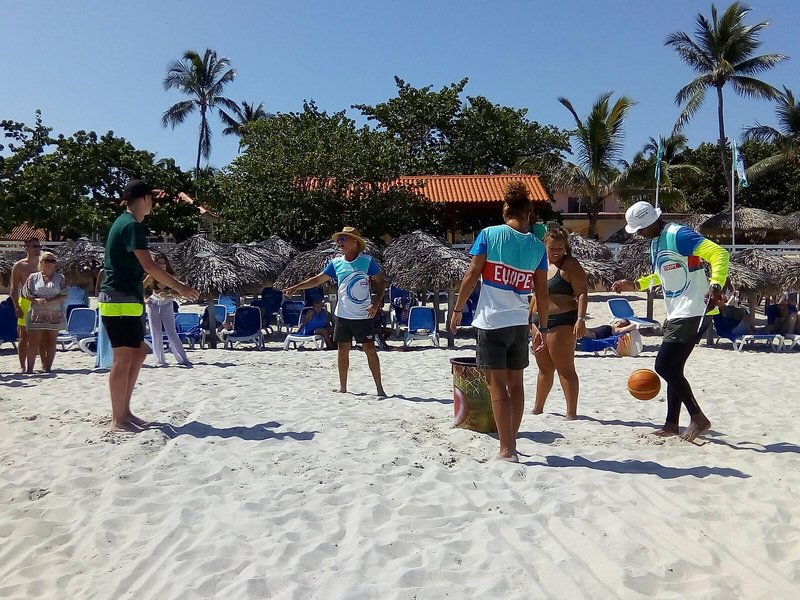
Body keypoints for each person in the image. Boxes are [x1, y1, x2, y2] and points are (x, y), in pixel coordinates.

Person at [612, 201, 729, 442]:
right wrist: (636, 284)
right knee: (674, 369)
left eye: (640, 229)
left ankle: (698, 417)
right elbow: (663, 275)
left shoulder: (679, 235)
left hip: (694, 310)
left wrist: (716, 285)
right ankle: (671, 424)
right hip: (677, 312)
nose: (639, 234)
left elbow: (719, 254)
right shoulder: (656, 243)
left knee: (664, 366)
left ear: (652, 222)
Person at [450, 181, 550, 462]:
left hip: (492, 321)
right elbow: (542, 293)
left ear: (506, 211)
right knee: (516, 385)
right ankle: (511, 441)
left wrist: (457, 310)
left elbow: (472, 275)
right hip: (519, 323)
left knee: (497, 387)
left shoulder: (489, 234)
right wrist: (542, 327)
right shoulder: (537, 247)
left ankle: (507, 450)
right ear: (528, 214)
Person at [99, 180, 199, 430]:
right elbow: (149, 266)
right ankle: (118, 418)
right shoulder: (131, 224)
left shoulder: (127, 223)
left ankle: (125, 412)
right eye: (151, 198)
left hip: (127, 300)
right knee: (123, 359)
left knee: (139, 353)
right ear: (144, 199)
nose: (152, 203)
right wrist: (180, 287)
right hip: (118, 299)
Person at [284, 227, 387, 396]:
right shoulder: (336, 263)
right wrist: (296, 287)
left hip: (363, 315)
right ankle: (343, 388)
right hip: (342, 315)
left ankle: (380, 389)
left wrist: (376, 304)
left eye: (343, 239)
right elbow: (317, 279)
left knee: (370, 350)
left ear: (355, 242)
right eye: (339, 239)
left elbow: (381, 282)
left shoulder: (367, 261)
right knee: (342, 350)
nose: (339, 242)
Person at [529, 227, 589, 420]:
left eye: (560, 247)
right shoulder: (539, 264)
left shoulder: (570, 264)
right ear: (545, 246)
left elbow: (582, 293)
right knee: (544, 368)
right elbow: (536, 295)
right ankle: (538, 408)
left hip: (562, 320)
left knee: (565, 368)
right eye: (552, 247)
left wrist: (581, 319)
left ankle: (571, 413)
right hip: (538, 322)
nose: (556, 251)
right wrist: (528, 319)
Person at [21, 251, 67, 373]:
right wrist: (36, 300)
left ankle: (47, 368)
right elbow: (26, 293)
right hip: (37, 313)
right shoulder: (33, 277)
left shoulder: (60, 278)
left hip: (54, 313)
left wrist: (49, 301)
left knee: (51, 341)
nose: (50, 263)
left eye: (53, 261)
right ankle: (29, 369)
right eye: (47, 260)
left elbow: (64, 294)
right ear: (41, 262)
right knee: (34, 341)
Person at [144, 254, 192, 367]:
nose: (162, 266)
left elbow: (180, 294)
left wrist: (169, 293)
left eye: (163, 263)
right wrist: (145, 299)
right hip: (153, 303)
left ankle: (182, 358)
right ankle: (160, 360)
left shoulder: (172, 277)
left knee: (171, 332)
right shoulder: (151, 276)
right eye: (159, 263)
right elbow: (140, 287)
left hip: (167, 303)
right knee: (155, 333)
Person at [10, 237, 42, 372]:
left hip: (42, 302)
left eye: (38, 246)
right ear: (27, 248)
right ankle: (23, 365)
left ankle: (43, 364)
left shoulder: (44, 263)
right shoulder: (20, 266)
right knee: (24, 336)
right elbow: (14, 288)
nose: (37, 249)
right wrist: (16, 306)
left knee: (41, 335)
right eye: (34, 246)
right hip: (25, 302)